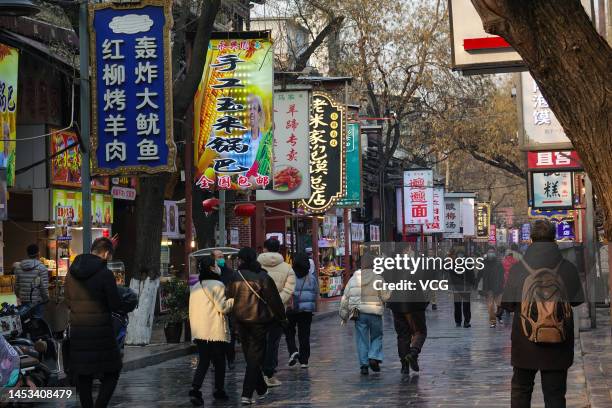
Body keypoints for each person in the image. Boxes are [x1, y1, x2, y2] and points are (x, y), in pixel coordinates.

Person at [502, 220, 584, 408]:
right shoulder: (567, 267)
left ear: (531, 239)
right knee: (555, 395)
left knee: (521, 391)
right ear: (554, 237)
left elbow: (508, 304)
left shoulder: (518, 269)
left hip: (525, 341)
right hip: (558, 341)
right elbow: (577, 300)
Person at [65, 237, 122, 408]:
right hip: (101, 333)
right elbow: (115, 304)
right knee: (113, 370)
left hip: (78, 332)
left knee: (84, 376)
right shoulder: (105, 274)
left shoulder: (71, 272)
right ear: (105, 253)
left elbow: (67, 300)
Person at [226, 247, 286, 405]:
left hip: (240, 322)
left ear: (241, 260)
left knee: (251, 356)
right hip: (259, 322)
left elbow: (229, 298)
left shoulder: (234, 277)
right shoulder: (262, 277)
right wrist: (282, 318)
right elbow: (274, 300)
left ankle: (260, 388)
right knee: (254, 358)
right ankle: (246, 394)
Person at [188, 255, 234, 407]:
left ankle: (195, 389)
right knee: (219, 361)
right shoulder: (217, 285)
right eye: (215, 264)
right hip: (214, 330)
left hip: (199, 330)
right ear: (211, 268)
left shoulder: (195, 286)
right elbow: (222, 307)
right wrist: (233, 300)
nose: (218, 267)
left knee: (204, 360)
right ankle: (219, 389)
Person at [339, 253, 391, 375]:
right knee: (377, 336)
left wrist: (343, 316)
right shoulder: (378, 278)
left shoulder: (352, 280)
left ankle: (364, 365)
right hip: (375, 312)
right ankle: (373, 356)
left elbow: (345, 298)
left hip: (359, 313)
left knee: (361, 339)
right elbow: (386, 296)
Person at [257, 238, 295, 387]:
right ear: (279, 250)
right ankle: (269, 374)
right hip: (278, 312)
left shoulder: (256, 265)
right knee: (273, 342)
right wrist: (277, 302)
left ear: (264, 249)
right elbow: (289, 289)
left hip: (259, 309)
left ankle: (259, 372)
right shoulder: (287, 268)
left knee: (259, 342)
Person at [385, 247, 428, 375]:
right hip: (414, 303)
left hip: (397, 304)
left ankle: (404, 366)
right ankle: (413, 353)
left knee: (403, 335)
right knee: (420, 331)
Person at [285, 252, 319, 369]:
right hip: (306, 310)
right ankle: (304, 360)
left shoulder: (289, 275)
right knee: (304, 334)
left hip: (292, 309)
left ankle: (293, 350)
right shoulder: (311, 277)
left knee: (289, 331)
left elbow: (286, 291)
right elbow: (315, 293)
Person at [212, 249, 237, 370]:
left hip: (228, 308)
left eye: (222, 256)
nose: (221, 258)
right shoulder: (210, 273)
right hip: (213, 309)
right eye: (218, 257)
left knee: (229, 337)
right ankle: (215, 360)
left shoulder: (230, 273)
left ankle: (230, 359)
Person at [14, 244, 49, 319]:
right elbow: (44, 287)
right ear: (38, 253)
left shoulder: (18, 268)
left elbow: (16, 286)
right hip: (38, 302)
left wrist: (19, 297)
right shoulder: (42, 268)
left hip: (24, 301)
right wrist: (46, 299)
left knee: (25, 323)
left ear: (27, 254)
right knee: (38, 325)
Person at [477, 247, 505, 328]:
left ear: (495, 253)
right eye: (489, 252)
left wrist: (502, 285)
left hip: (498, 287)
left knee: (499, 304)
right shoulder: (483, 262)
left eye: (492, 252)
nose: (491, 253)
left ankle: (499, 316)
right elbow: (479, 274)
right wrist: (476, 283)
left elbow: (502, 275)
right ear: (487, 253)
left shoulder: (499, 263)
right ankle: (492, 321)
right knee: (490, 306)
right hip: (488, 288)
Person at [449, 246, 475, 328]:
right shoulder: (454, 262)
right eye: (459, 254)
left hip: (465, 287)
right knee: (458, 305)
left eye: (462, 254)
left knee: (465, 305)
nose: (460, 255)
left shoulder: (468, 262)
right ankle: (459, 321)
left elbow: (471, 274)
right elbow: (451, 275)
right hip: (458, 287)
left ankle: (466, 321)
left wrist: (472, 283)